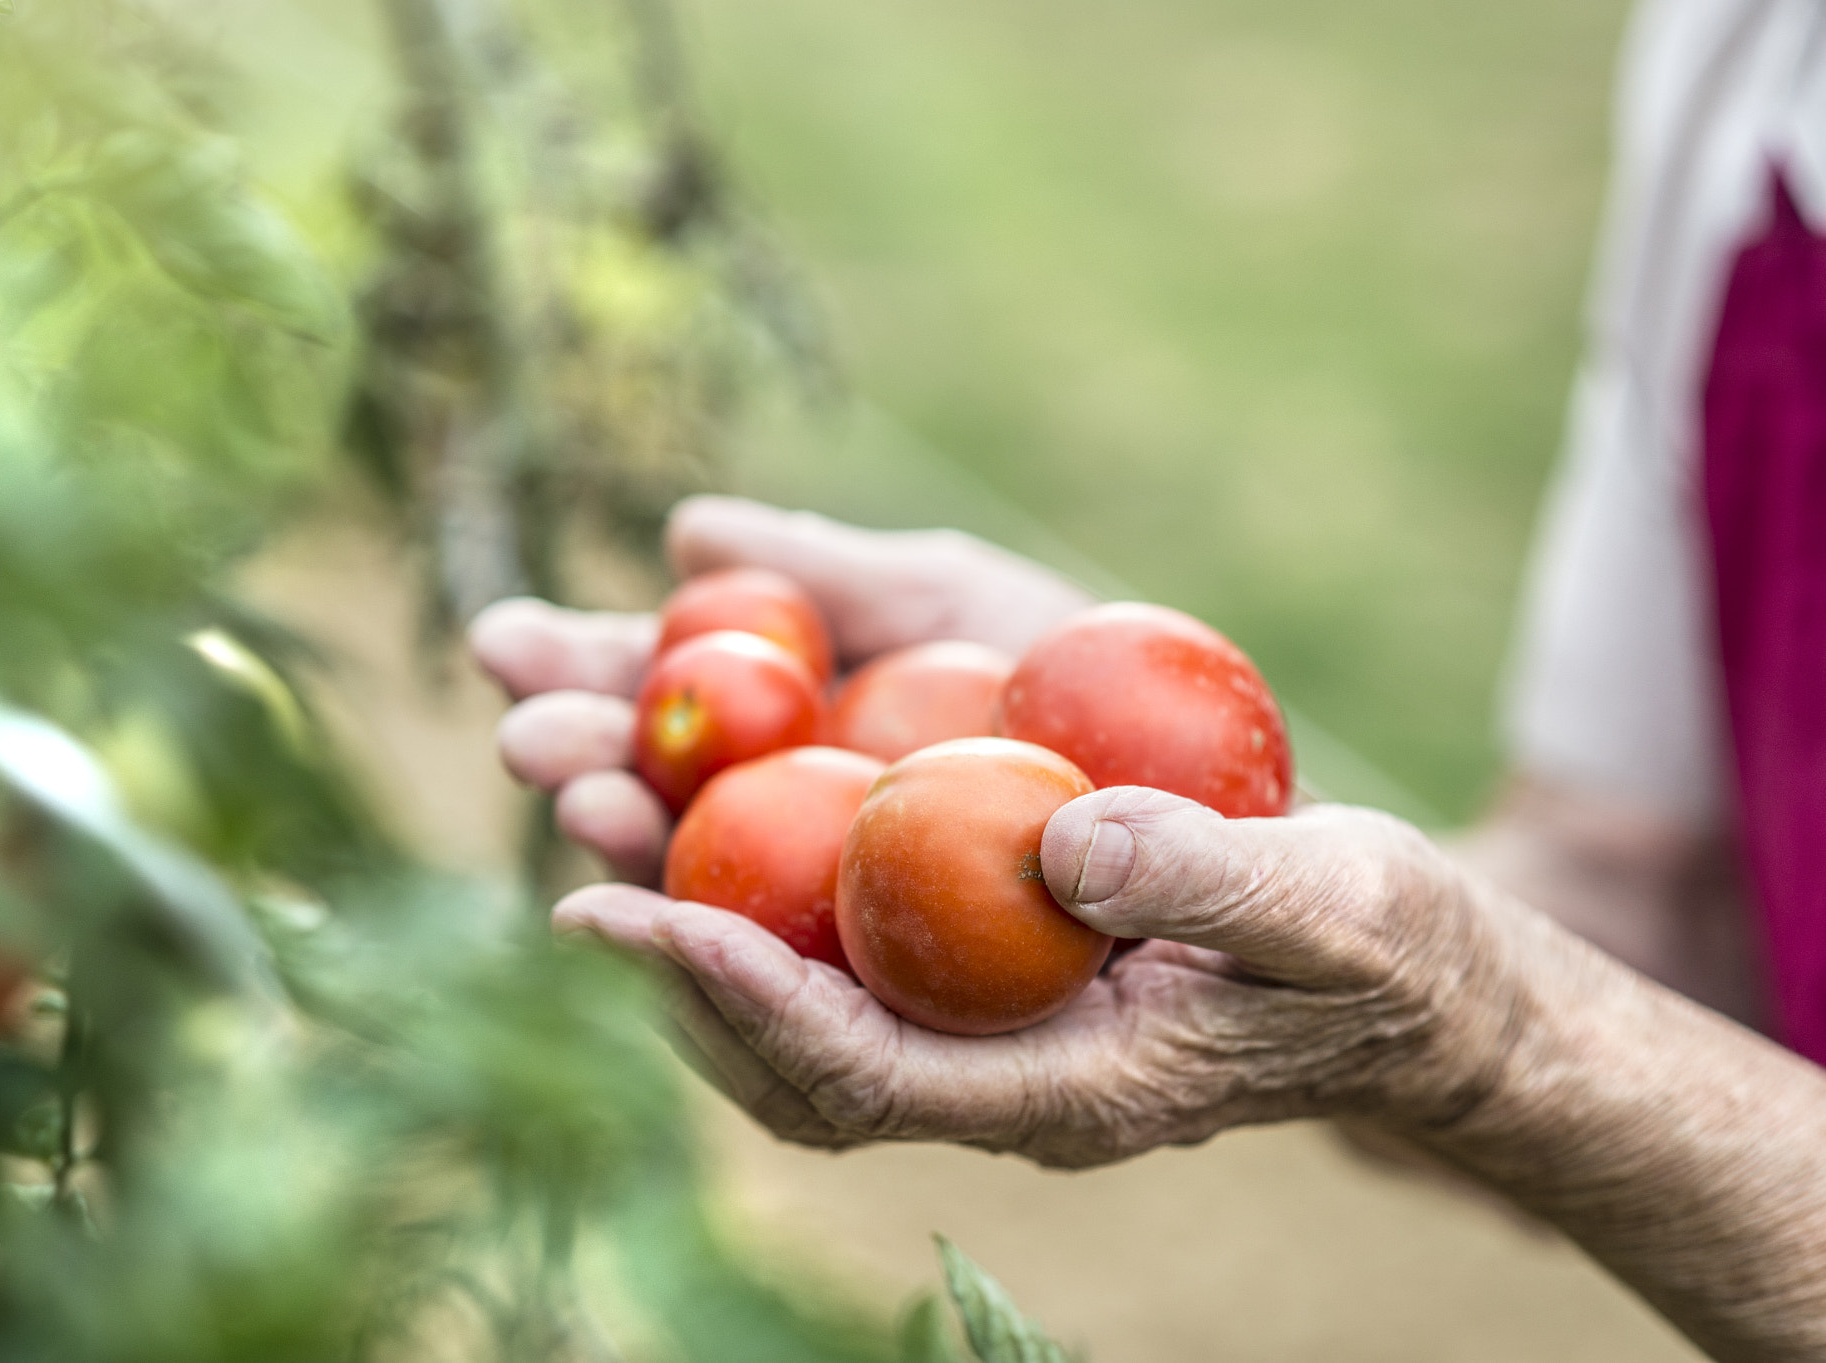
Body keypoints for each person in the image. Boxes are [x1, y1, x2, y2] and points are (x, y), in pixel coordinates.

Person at [468, 2, 1826, 1357]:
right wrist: (1335, 955)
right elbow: (1647, 897)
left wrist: (1480, 1031)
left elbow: (1543, 1009)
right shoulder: (1746, 40)